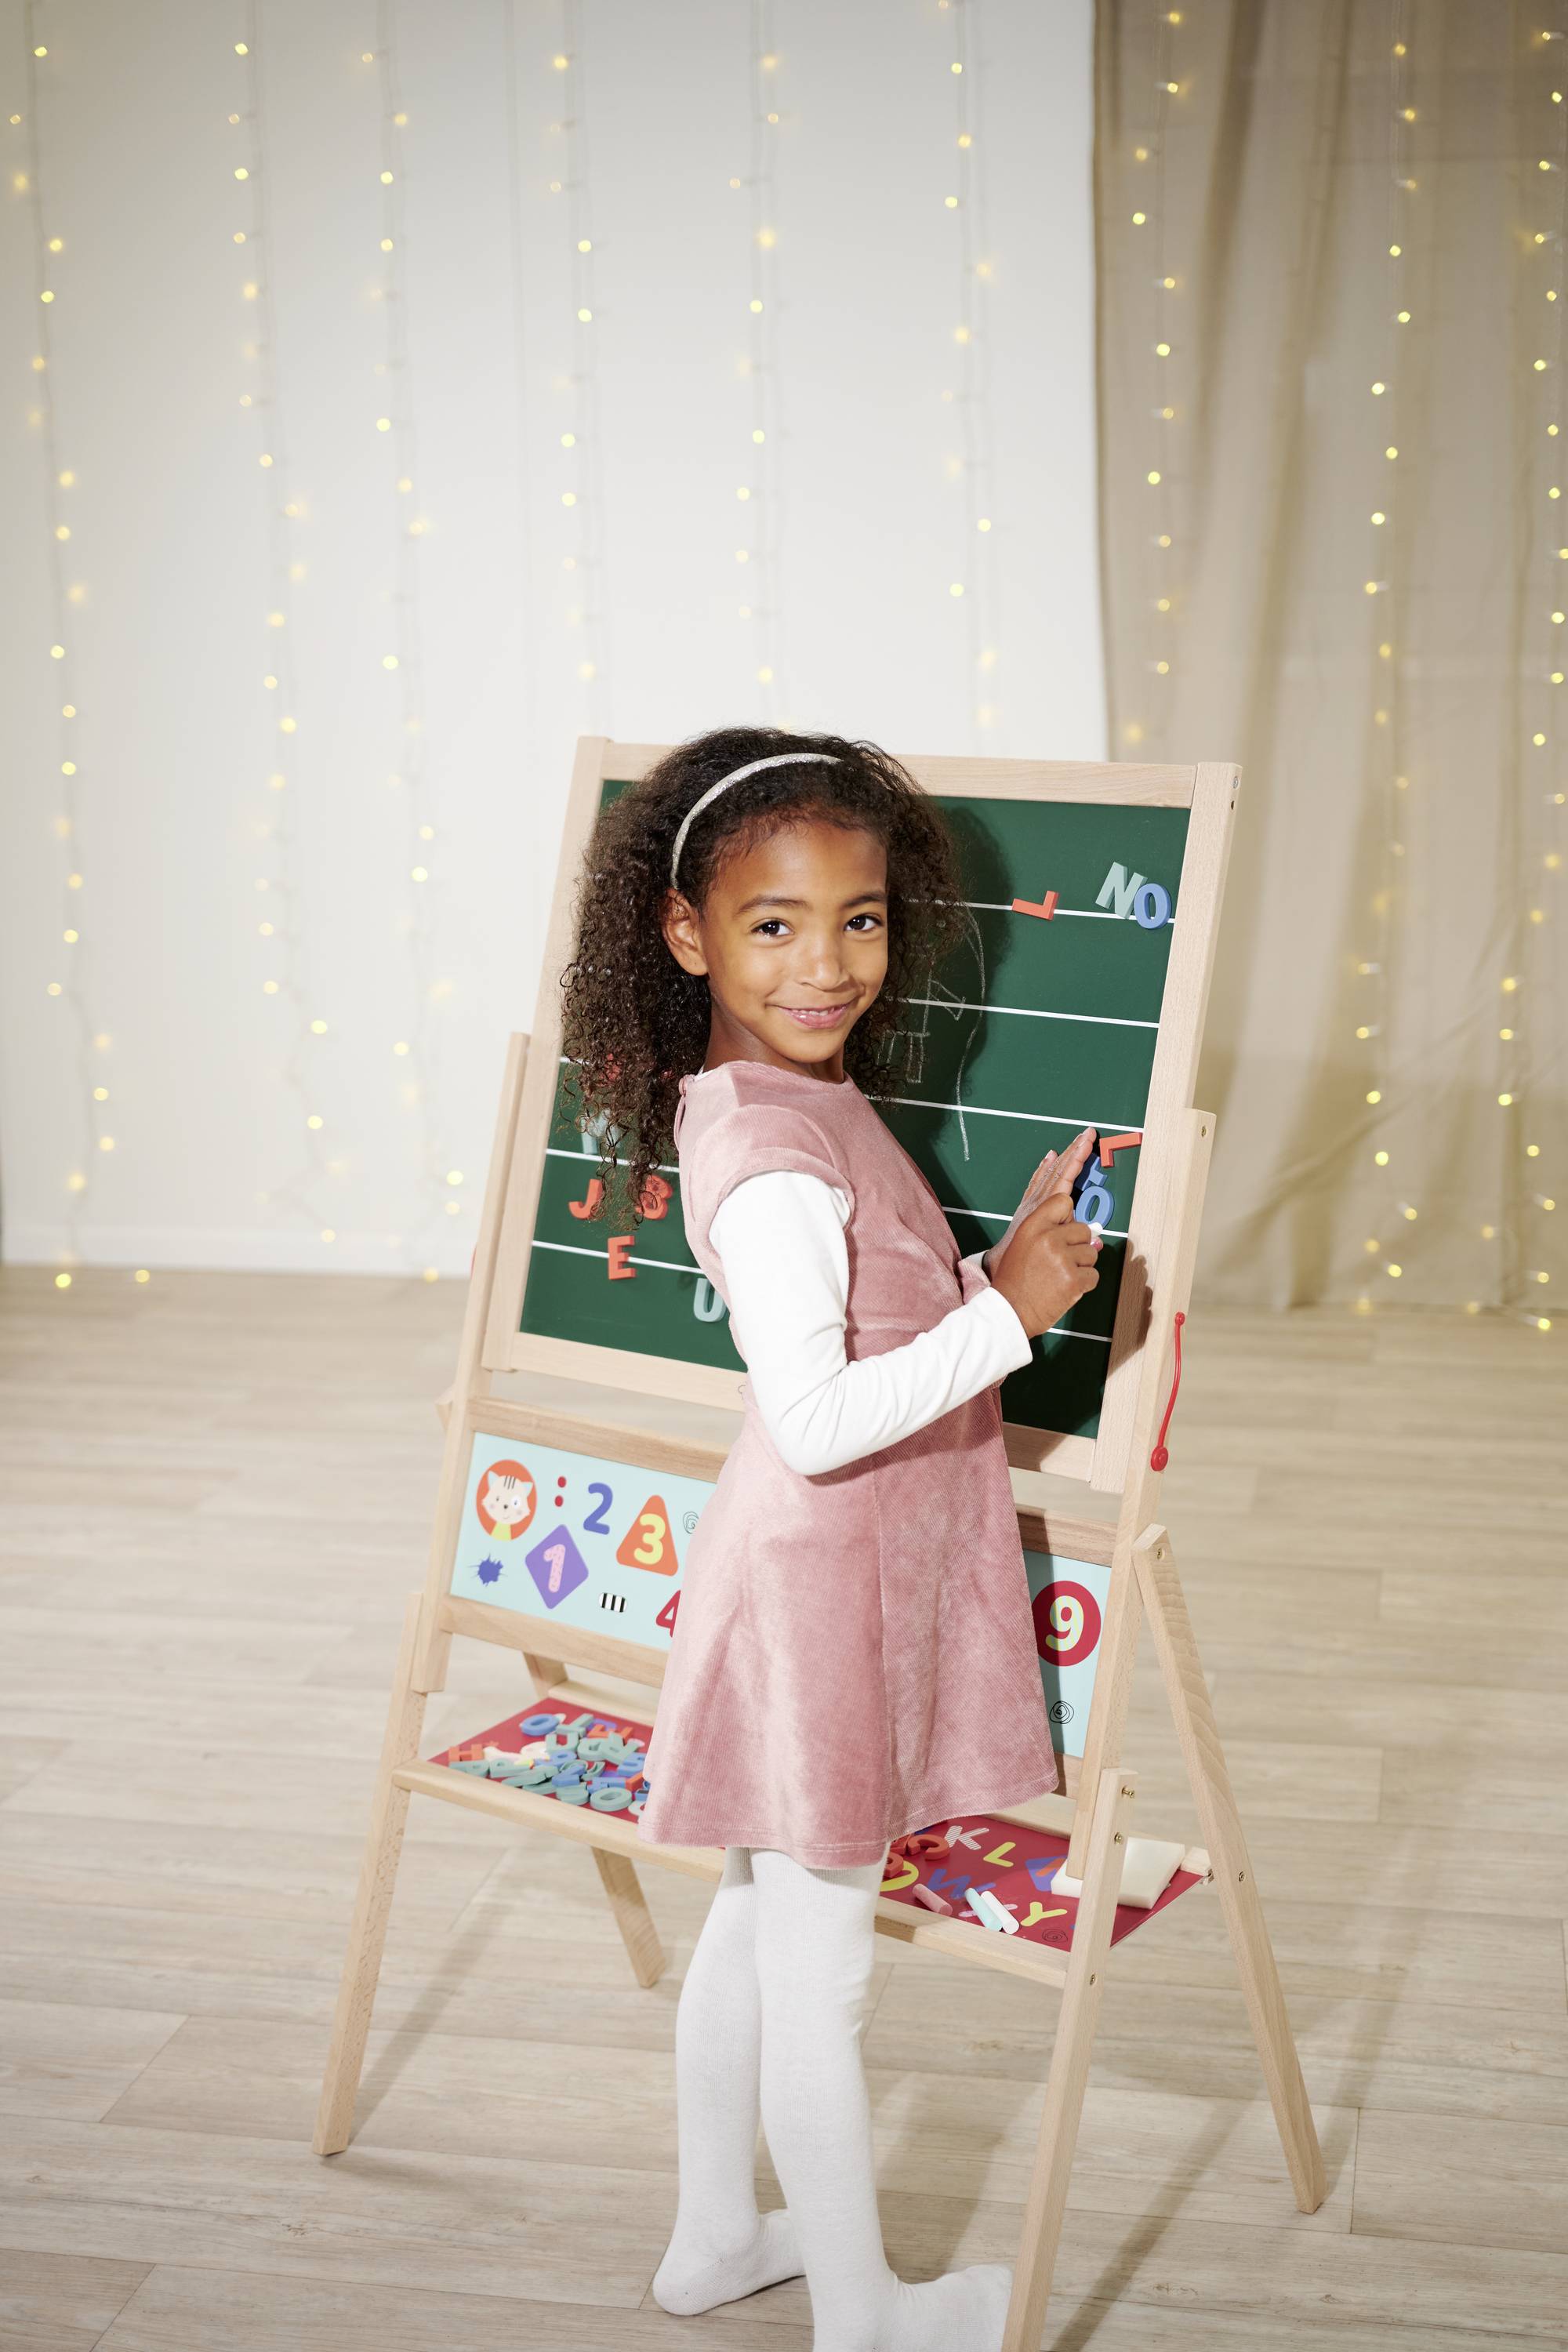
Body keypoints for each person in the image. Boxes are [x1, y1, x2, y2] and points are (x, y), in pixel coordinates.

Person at [558, 727, 1103, 2352]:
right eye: (773, 924)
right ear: (684, 934)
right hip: (823, 1598)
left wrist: (981, 1273)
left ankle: (719, 2237)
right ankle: (865, 2316)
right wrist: (1008, 1316)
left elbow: (869, 1325)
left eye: (857, 919)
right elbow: (818, 1416)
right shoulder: (772, 1157)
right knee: (824, 1975)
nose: (825, 962)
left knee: (751, 1913)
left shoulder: (780, 1094)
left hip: (813, 1582)